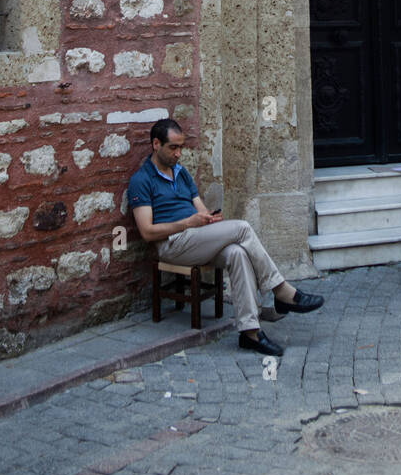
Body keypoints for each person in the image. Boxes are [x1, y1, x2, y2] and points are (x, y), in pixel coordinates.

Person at [127, 118, 323, 357]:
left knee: (237, 253)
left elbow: (199, 208)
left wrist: (207, 218)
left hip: (196, 237)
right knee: (242, 228)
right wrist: (187, 223)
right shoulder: (141, 180)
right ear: (156, 144)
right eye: (173, 147)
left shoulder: (181, 173)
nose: (178, 154)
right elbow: (147, 232)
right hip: (172, 245)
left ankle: (250, 333)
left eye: (181, 147)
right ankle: (281, 290)